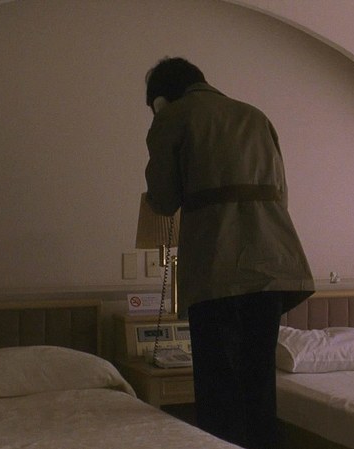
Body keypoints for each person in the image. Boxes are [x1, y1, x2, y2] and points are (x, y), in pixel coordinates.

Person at [143, 57, 315, 449]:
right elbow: (281, 194)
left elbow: (163, 200)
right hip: (274, 264)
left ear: (161, 98)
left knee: (218, 391)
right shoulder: (255, 116)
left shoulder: (173, 117)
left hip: (216, 268)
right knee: (259, 388)